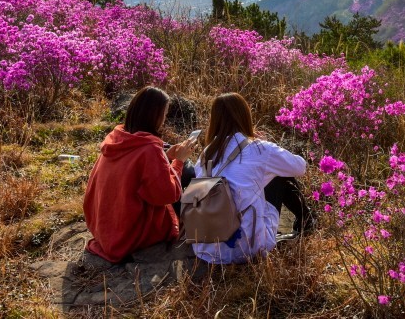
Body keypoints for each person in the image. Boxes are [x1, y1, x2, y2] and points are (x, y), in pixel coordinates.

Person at [192, 92, 314, 264]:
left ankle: (305, 223)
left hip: (204, 248)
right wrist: (266, 151)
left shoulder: (208, 152)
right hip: (244, 249)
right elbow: (299, 167)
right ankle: (307, 223)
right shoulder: (258, 149)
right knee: (280, 174)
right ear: (245, 116)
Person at [83, 86, 196, 263]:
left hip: (103, 228)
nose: (164, 120)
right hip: (128, 235)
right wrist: (179, 161)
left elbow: (133, 172)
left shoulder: (117, 137)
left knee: (181, 167)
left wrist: (166, 157)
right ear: (154, 116)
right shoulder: (149, 148)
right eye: (164, 115)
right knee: (188, 171)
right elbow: (167, 194)